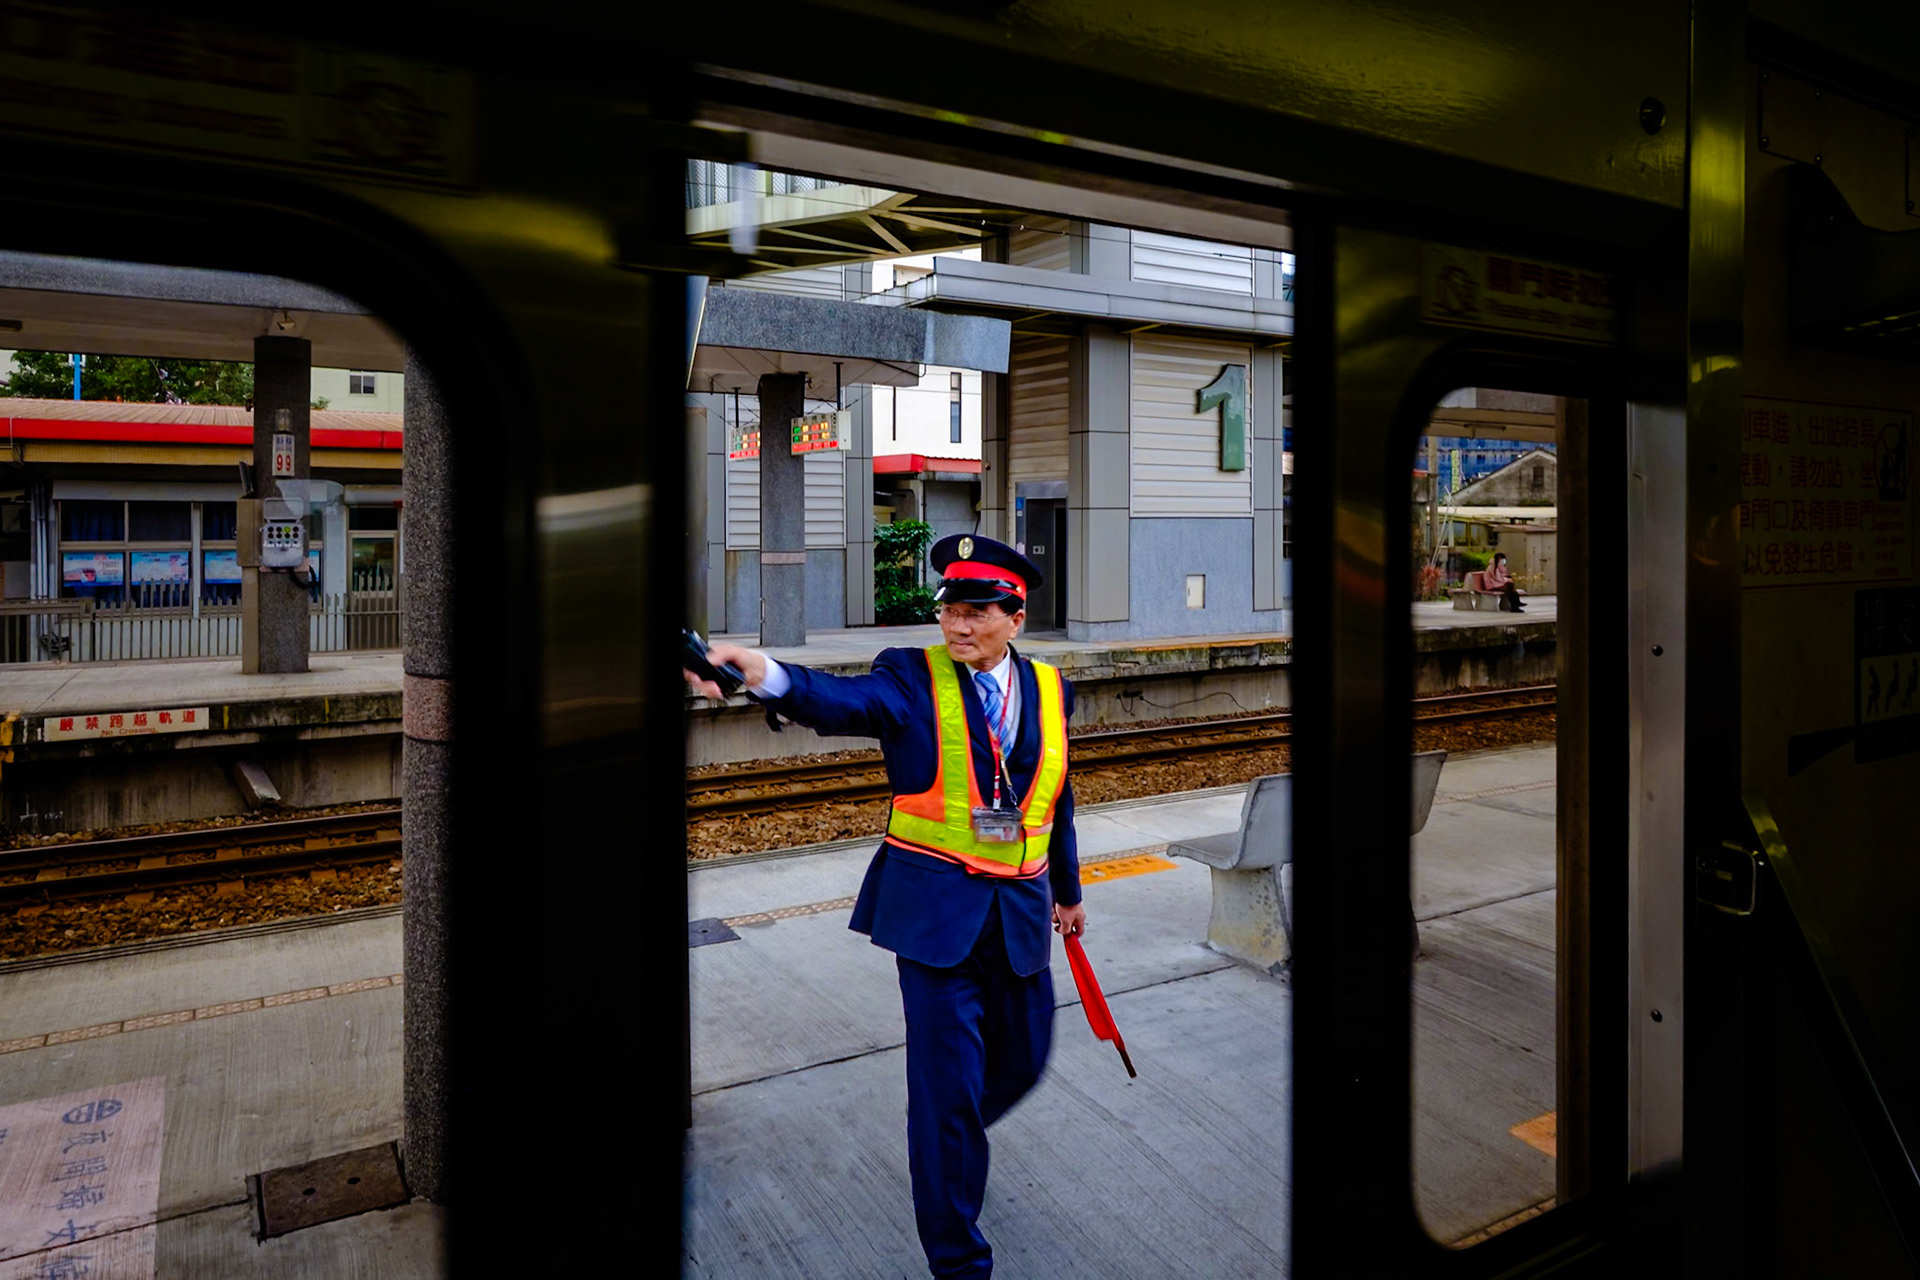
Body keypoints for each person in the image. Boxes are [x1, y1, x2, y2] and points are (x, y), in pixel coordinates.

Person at [685, 533, 1084, 1280]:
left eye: (976, 613)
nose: (958, 627)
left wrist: (1068, 892)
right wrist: (764, 674)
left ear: (1015, 617)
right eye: (950, 611)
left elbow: (1056, 798)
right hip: (934, 922)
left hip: (1023, 916)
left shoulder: (1054, 689)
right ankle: (959, 1259)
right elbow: (841, 702)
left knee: (1024, 1063)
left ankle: (948, 1145)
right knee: (945, 1096)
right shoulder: (908, 676)